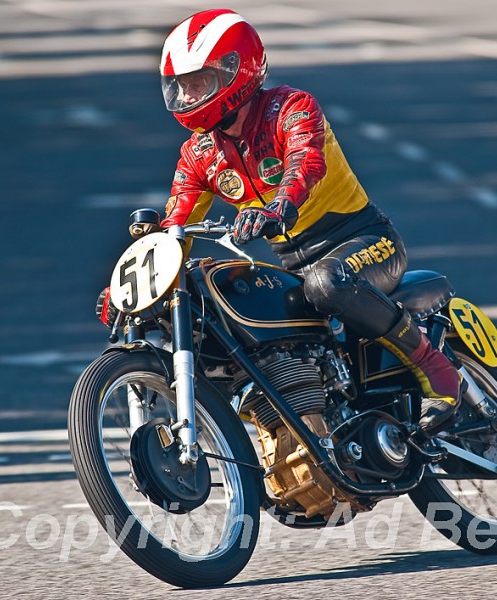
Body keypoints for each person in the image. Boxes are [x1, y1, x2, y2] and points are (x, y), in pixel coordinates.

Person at [101, 8, 460, 430]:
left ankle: (434, 367)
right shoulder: (198, 154)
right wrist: (131, 288)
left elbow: (305, 163)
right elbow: (173, 225)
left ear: (236, 70)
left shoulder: (291, 107)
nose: (188, 96)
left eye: (199, 82)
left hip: (363, 241)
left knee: (326, 283)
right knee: (221, 309)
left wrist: (279, 207)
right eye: (181, 86)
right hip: (292, 267)